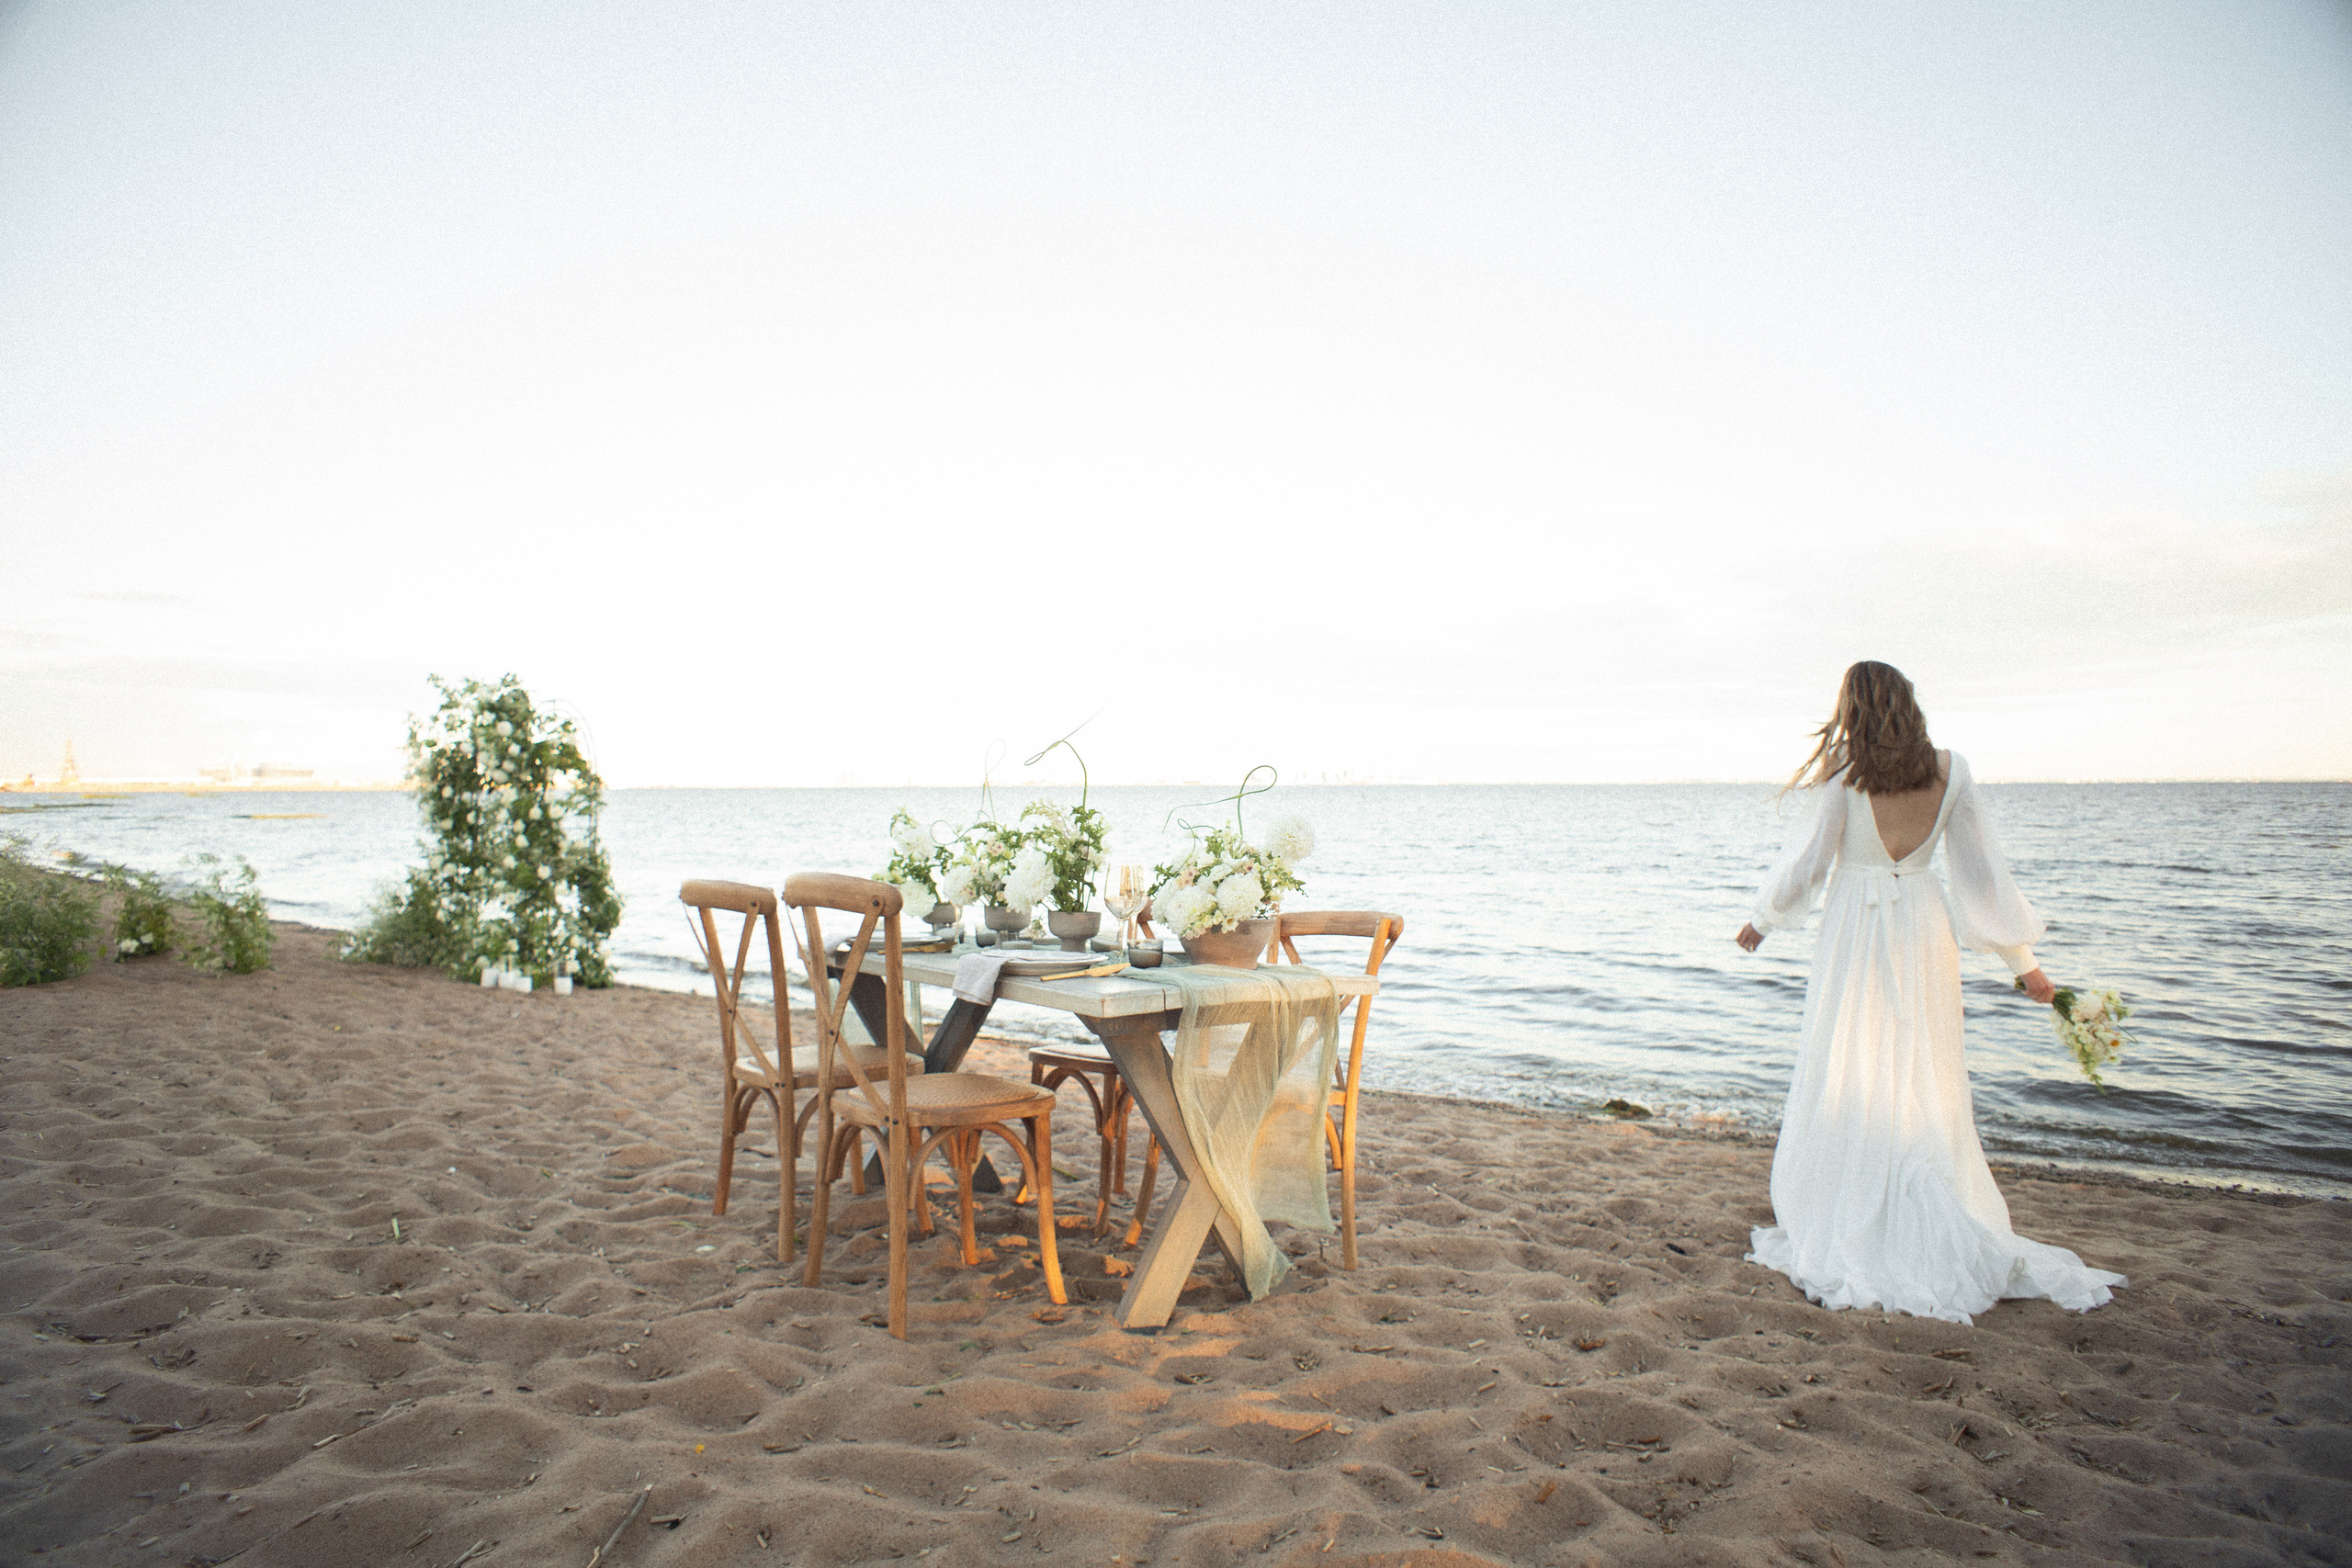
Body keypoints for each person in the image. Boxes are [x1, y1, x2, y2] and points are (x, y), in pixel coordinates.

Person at [1735, 660, 2123, 1325]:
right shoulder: (1953, 769)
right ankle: (1922, 1194)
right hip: (1921, 926)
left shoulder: (1844, 773)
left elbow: (1810, 863)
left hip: (1857, 928)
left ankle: (1861, 1205)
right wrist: (2024, 964)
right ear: (1908, 705)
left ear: (1852, 710)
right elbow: (1984, 879)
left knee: (1851, 1064)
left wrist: (1762, 920)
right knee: (1921, 1068)